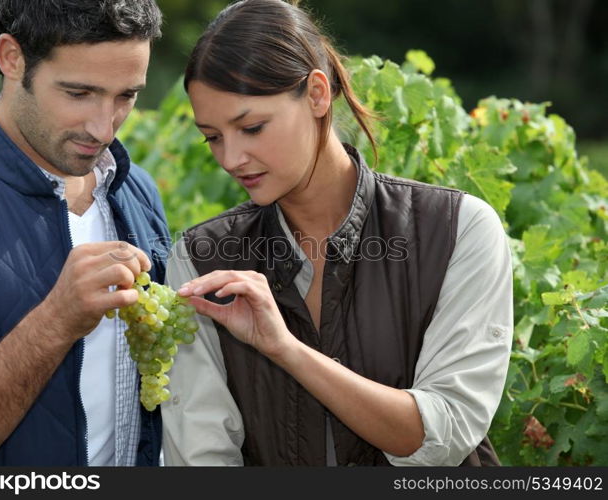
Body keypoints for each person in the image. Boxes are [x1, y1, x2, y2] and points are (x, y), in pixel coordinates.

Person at [160, 0, 513, 466]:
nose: (230, 158)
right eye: (213, 137)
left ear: (317, 94)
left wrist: (286, 349)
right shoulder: (201, 257)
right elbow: (202, 458)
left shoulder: (458, 230)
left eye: (251, 127)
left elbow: (443, 434)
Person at [0, 0, 170, 466]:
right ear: (11, 57)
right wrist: (56, 320)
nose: (104, 126)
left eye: (126, 96)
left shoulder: (138, 192)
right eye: (79, 93)